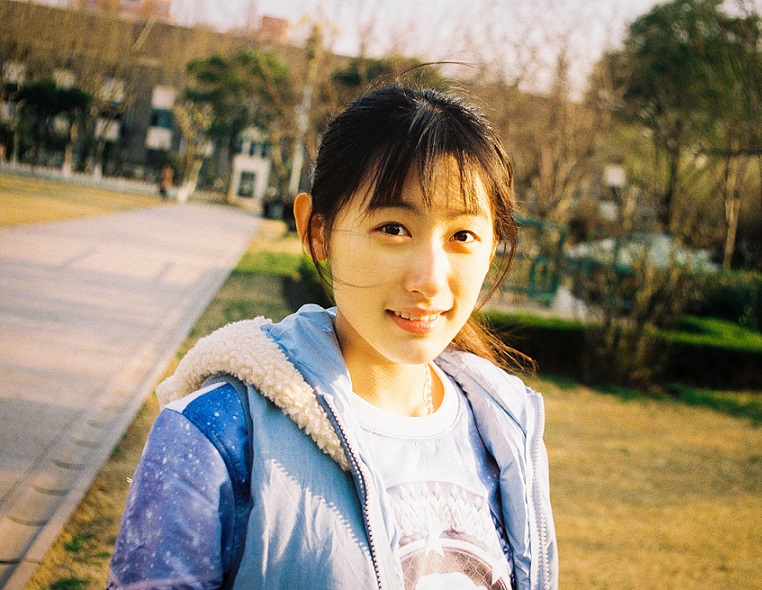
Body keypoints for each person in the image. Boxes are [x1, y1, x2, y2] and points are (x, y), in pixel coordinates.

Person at [108, 86, 558, 589]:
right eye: (393, 228)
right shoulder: (218, 433)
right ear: (316, 232)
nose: (430, 280)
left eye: (462, 236)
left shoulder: (506, 432)